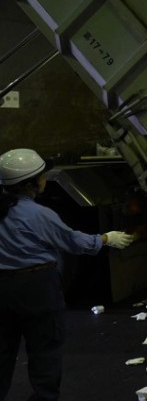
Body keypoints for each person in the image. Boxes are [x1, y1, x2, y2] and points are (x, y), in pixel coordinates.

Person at [0, 148, 135, 401]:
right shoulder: (38, 214)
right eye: (42, 176)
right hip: (36, 288)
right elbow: (72, 242)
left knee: (3, 351)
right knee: (44, 351)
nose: (45, 179)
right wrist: (105, 238)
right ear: (30, 183)